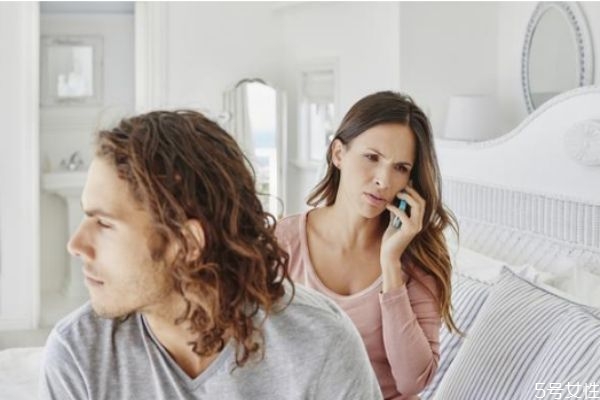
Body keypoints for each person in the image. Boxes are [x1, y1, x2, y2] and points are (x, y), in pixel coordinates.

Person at [40, 110, 383, 400]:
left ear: (187, 242)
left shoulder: (321, 344)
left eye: (104, 223)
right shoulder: (79, 355)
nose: (76, 244)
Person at [275, 91, 459, 400]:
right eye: (372, 157)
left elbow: (412, 382)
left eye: (400, 168)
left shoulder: (418, 253)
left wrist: (391, 264)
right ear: (338, 154)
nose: (383, 181)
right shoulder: (282, 241)